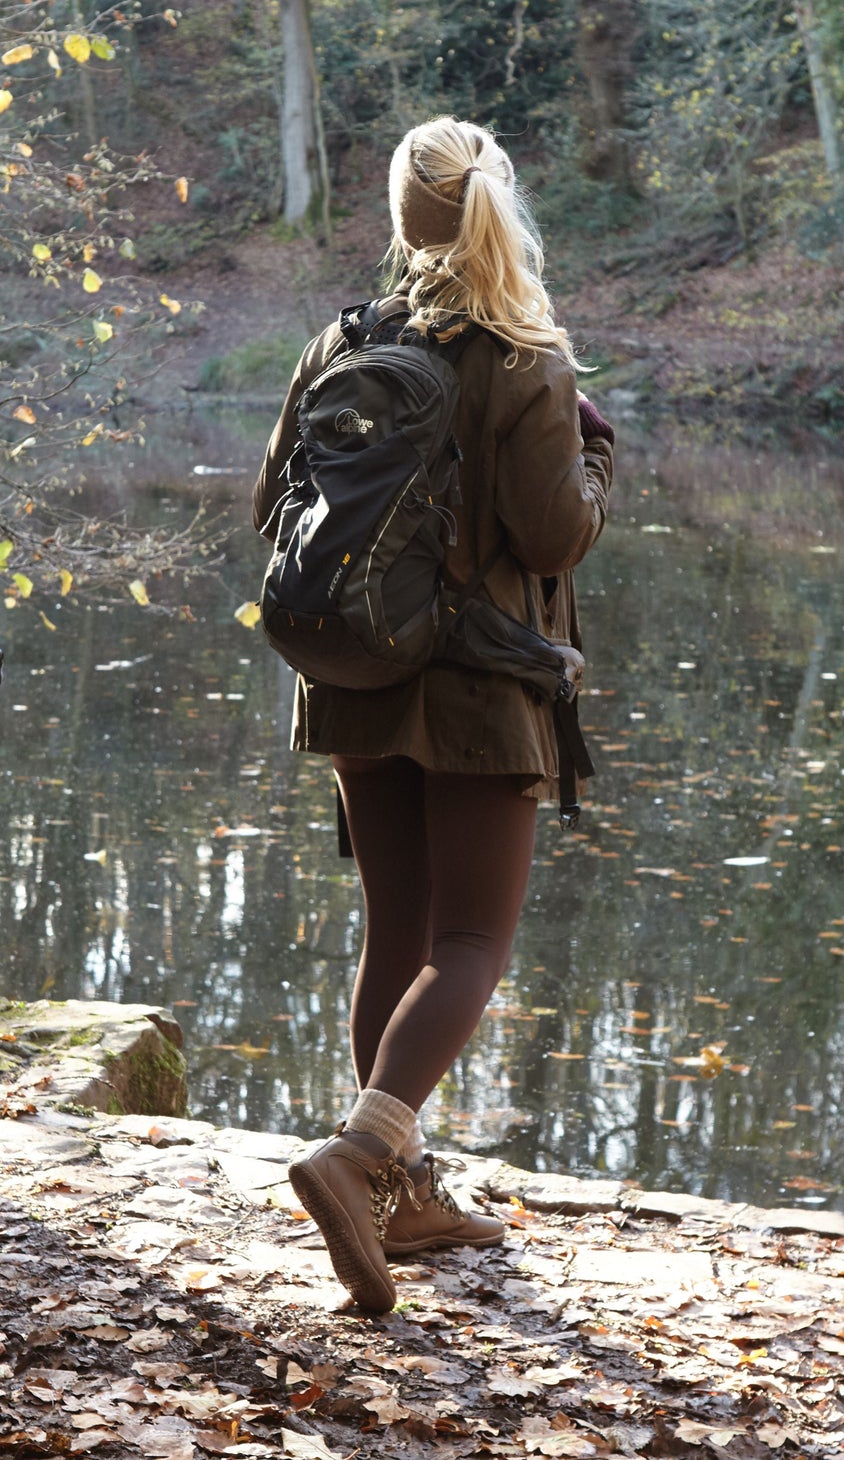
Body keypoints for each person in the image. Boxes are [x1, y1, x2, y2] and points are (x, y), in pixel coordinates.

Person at [251, 116, 615, 1314]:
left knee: (397, 936)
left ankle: (399, 1193)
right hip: (477, 684)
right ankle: (363, 1161)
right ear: (495, 207)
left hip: (354, 671)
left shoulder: (340, 340)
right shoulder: (524, 357)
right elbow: (555, 534)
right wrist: (597, 463)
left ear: (401, 215)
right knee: (470, 946)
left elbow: (271, 505)